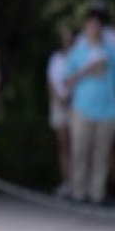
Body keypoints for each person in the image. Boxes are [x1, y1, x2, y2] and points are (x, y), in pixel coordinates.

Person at [64, 7, 115, 205]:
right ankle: (78, 192)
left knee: (102, 154)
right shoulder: (78, 51)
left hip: (108, 110)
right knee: (80, 151)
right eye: (91, 25)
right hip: (82, 109)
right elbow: (67, 81)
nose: (94, 29)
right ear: (85, 28)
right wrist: (87, 70)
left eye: (97, 26)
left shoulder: (113, 53)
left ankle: (97, 194)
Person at [47, 25, 75, 197]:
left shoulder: (79, 57)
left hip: (75, 105)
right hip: (59, 104)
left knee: (76, 146)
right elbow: (51, 83)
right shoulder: (56, 58)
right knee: (64, 146)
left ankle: (77, 183)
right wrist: (59, 99)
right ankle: (66, 181)